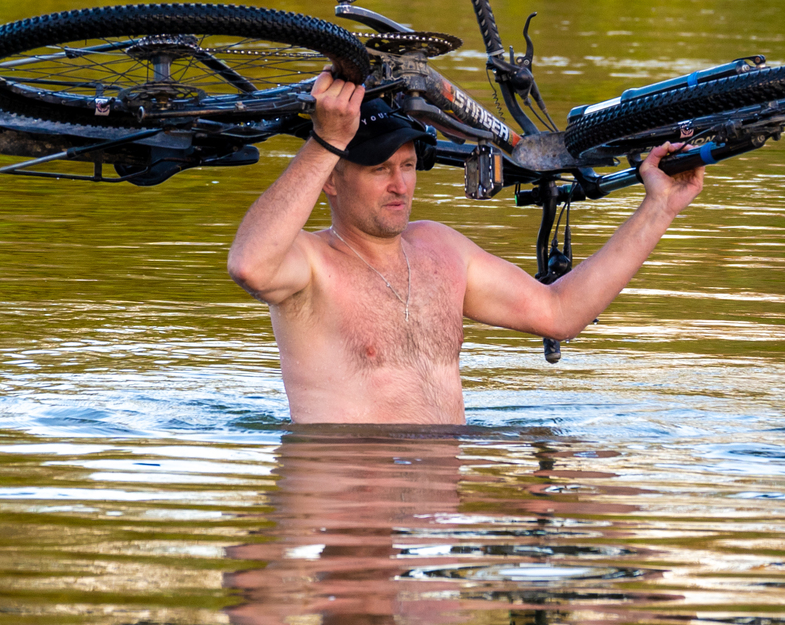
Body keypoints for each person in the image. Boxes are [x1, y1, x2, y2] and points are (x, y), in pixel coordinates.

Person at [226, 69, 704, 424]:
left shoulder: (439, 249)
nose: (399, 186)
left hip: (440, 522)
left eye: (408, 166)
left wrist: (659, 207)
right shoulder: (310, 266)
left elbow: (561, 312)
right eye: (379, 170)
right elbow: (250, 265)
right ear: (331, 179)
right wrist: (325, 141)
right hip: (354, 510)